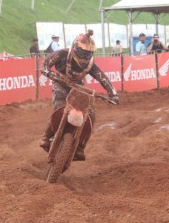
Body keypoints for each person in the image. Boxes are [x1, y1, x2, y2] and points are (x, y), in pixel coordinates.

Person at [40, 29, 119, 161]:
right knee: (60, 106)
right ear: (75, 48)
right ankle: (46, 136)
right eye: (83, 52)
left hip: (79, 87)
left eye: (89, 53)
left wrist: (113, 94)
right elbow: (44, 65)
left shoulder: (90, 64)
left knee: (90, 115)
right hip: (60, 83)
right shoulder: (62, 54)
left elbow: (103, 78)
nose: (85, 56)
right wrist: (54, 76)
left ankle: (81, 147)